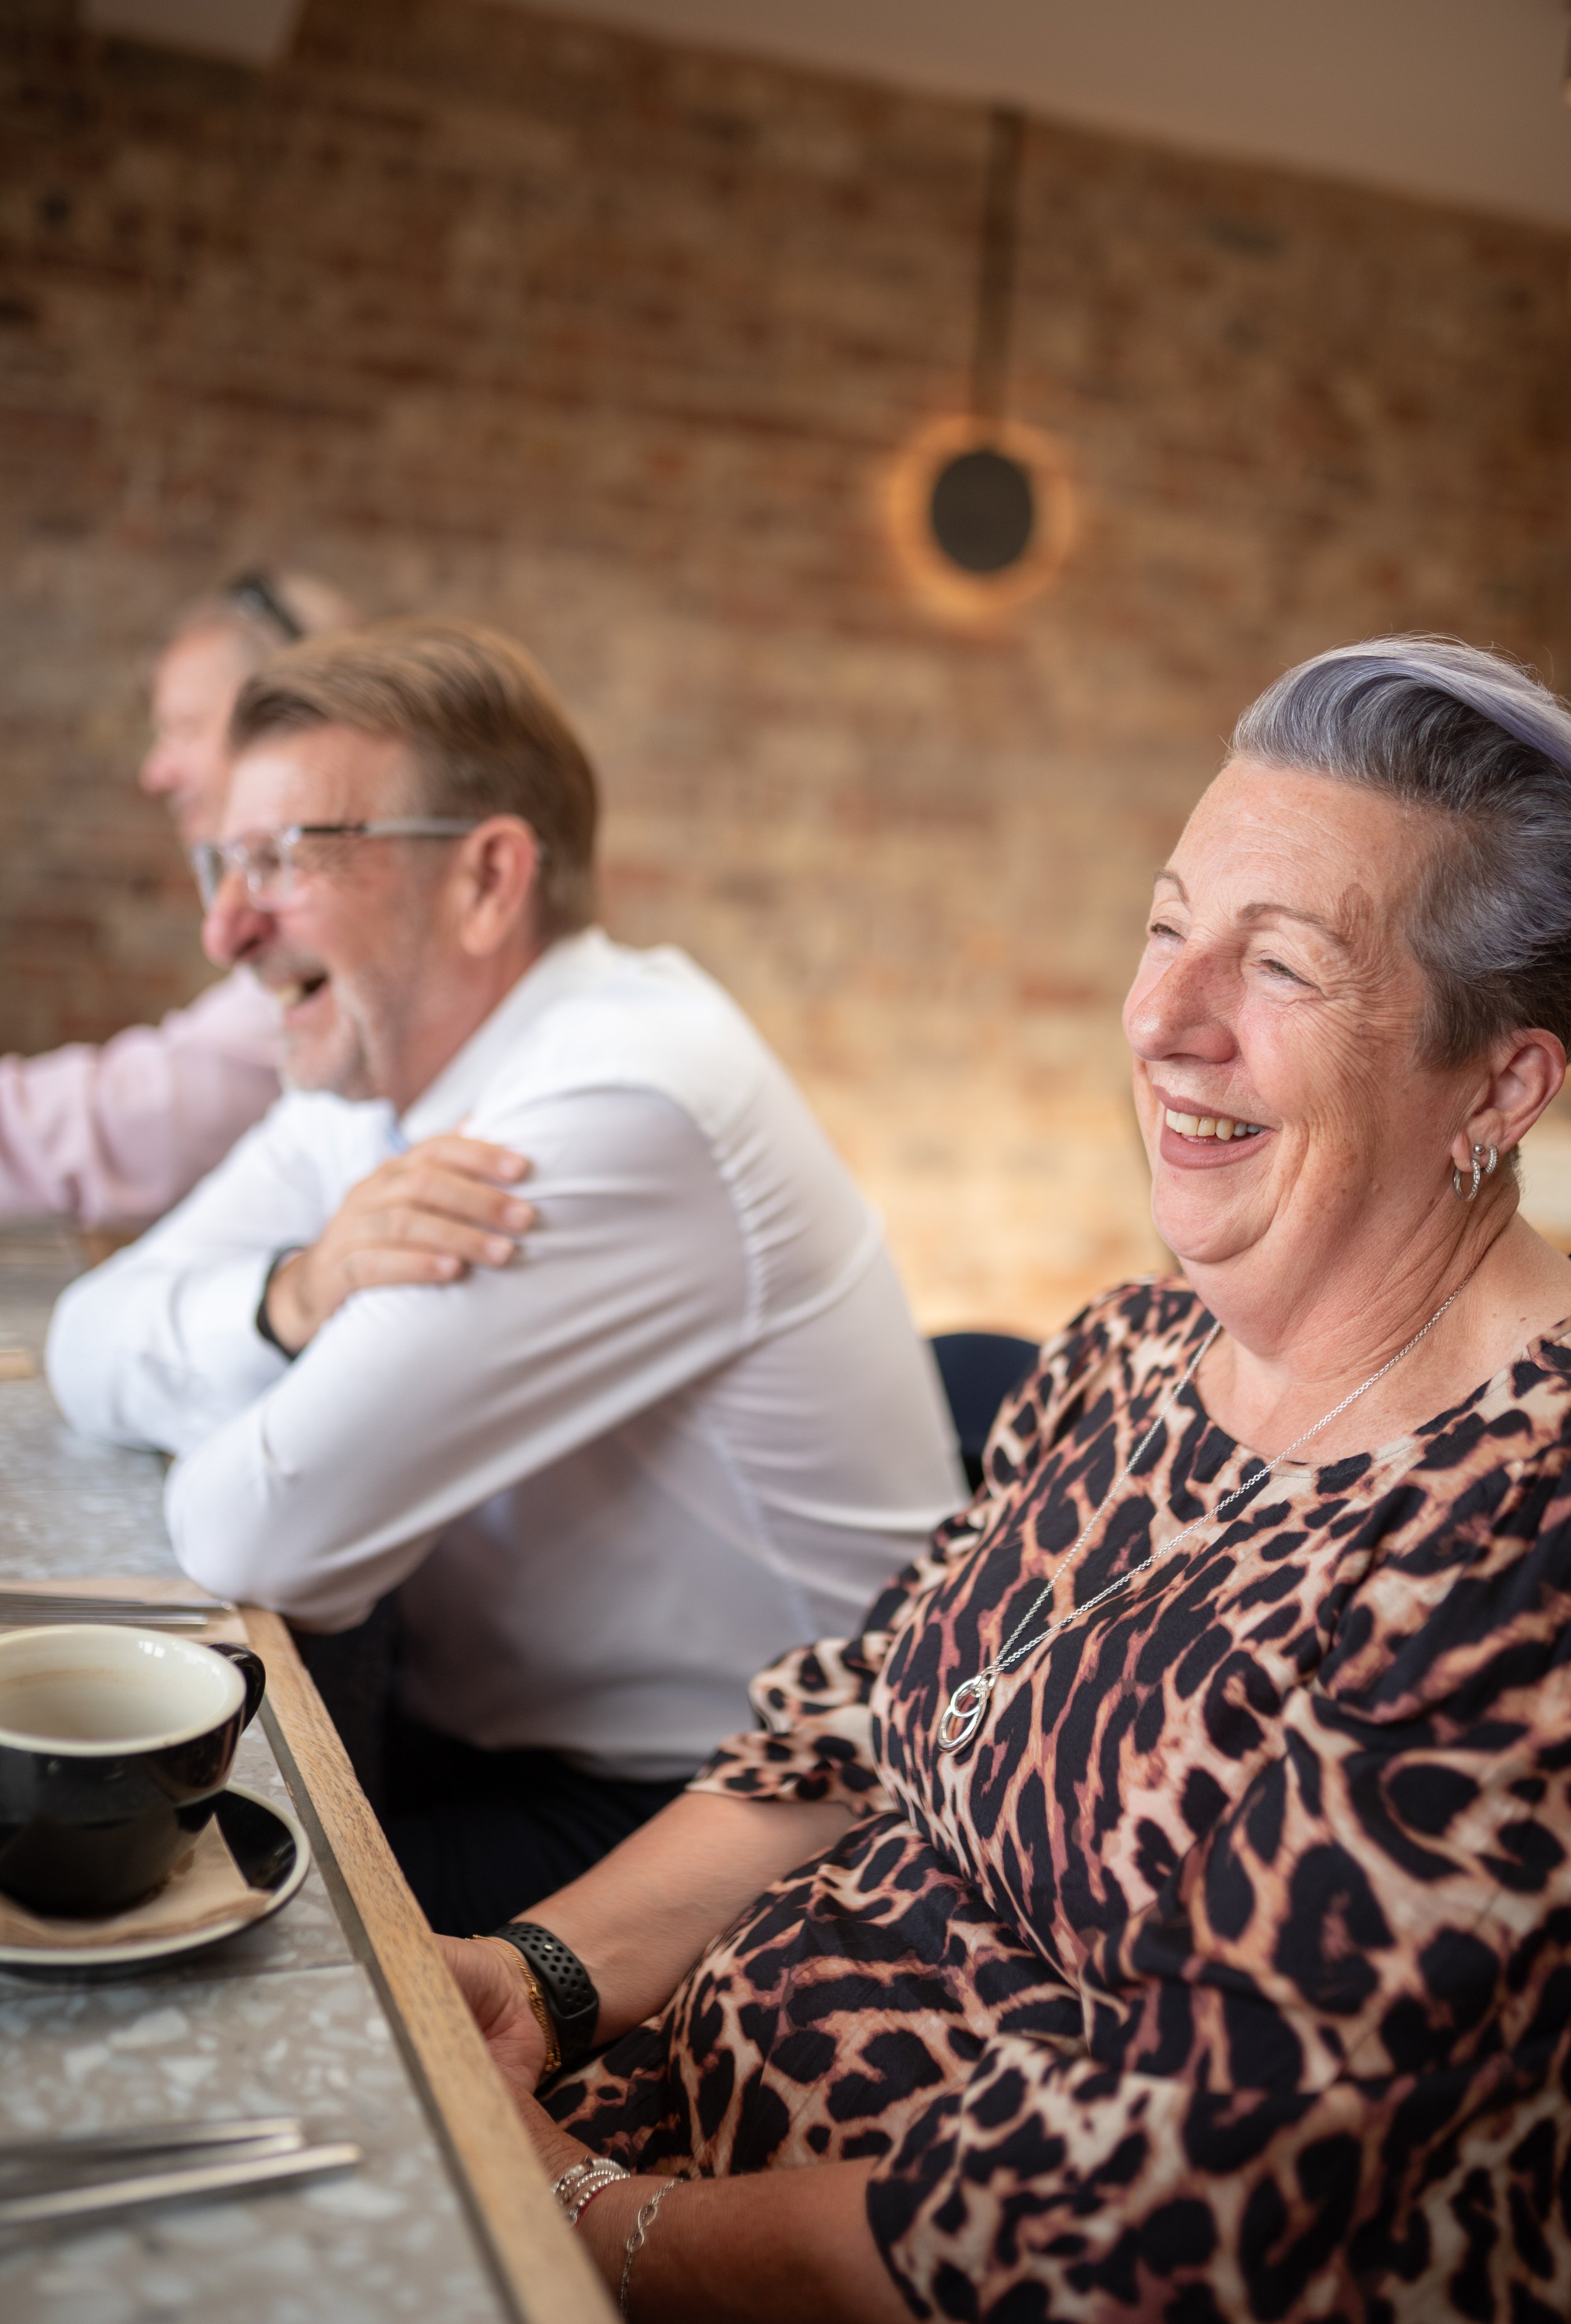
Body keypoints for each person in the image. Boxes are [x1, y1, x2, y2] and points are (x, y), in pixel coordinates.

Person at [439, 635, 1571, 2323]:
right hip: (664, 2150)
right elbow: (851, 1717)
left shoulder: (1519, 1537)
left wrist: (599, 2227)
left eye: (1278, 967)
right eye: (1165, 926)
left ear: (1499, 1082)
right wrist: (535, 1979)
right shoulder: (1126, 1353)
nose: (1165, 1021)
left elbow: (1147, 2216)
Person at [46, 619, 965, 1933]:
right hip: (509, 1742)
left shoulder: (618, 1103)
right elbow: (86, 1339)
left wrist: (230, 1384)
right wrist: (292, 1296)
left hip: (749, 1824)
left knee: (146, 1925)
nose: (224, 926)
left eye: (284, 860)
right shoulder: (371, 1066)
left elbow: (254, 1532)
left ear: (485, 878)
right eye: (222, 861)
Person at [0, 572, 354, 1230]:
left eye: (185, 728)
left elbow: (135, 1120)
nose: (155, 772)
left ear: (291, 721)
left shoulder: (337, 950)